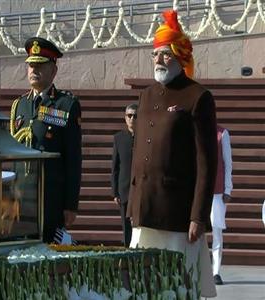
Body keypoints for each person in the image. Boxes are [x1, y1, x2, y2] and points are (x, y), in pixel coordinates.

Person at [126, 10, 218, 298]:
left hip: (178, 214)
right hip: (144, 208)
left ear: (180, 55)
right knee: (144, 287)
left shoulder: (198, 97)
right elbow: (137, 152)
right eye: (155, 54)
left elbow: (206, 163)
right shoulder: (146, 96)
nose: (159, 60)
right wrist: (132, 203)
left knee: (179, 288)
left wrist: (199, 217)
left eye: (165, 54)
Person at [10, 37, 82, 243]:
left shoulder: (65, 104)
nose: (34, 70)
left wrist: (70, 205)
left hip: (50, 197)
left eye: (40, 66)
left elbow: (73, 158)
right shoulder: (19, 106)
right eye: (31, 66)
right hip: (21, 196)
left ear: (53, 71)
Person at [111, 103, 137, 247]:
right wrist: (115, 192)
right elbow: (115, 166)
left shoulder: (145, 137)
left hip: (141, 188)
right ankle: (127, 250)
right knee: (126, 225)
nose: (132, 118)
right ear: (125, 118)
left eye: (135, 116)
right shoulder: (119, 138)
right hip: (124, 189)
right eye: (129, 115)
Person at [211, 125, 233, 285]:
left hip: (217, 192)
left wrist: (228, 189)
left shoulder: (222, 133)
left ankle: (216, 272)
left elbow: (228, 162)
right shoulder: (195, 130)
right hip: (198, 191)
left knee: (216, 232)